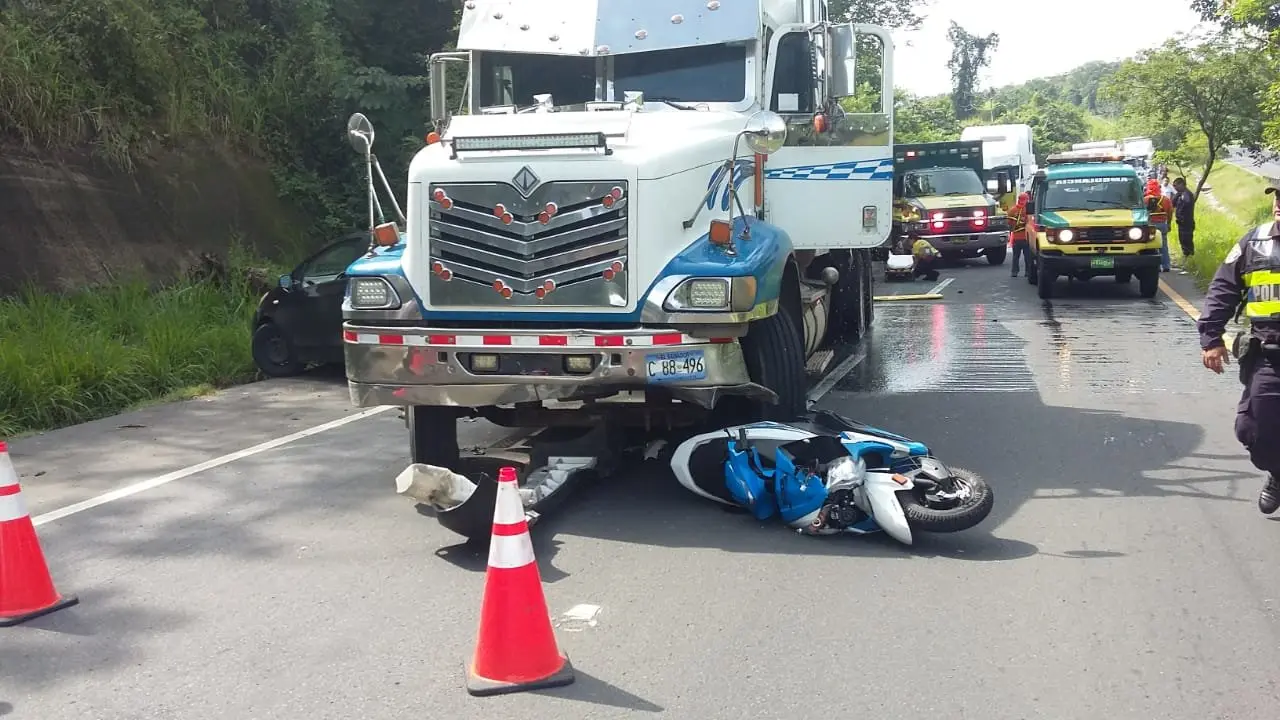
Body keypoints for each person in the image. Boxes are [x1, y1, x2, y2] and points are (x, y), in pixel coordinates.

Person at [1197, 180, 1280, 514]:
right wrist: (1212, 338)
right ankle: (1276, 471)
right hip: (1270, 358)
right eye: (1278, 196)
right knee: (1252, 430)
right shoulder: (1255, 242)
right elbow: (1223, 289)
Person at [1144, 179, 1174, 272]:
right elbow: (1170, 212)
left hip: (1150, 225)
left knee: (1151, 246)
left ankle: (1155, 266)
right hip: (1162, 225)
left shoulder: (1145, 199)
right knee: (1164, 246)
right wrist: (1168, 223)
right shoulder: (1165, 199)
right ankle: (1166, 266)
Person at [1172, 177, 1196, 260]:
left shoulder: (1187, 195)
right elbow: (1172, 203)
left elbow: (1186, 204)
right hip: (1181, 223)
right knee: (1182, 241)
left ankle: (1190, 259)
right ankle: (1186, 258)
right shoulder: (1180, 194)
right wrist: (1178, 195)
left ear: (1181, 184)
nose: (1174, 187)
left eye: (1175, 185)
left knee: (1187, 242)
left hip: (1186, 222)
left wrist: (1180, 196)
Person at [1008, 191, 1032, 278]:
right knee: (1028, 257)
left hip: (1016, 237)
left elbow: (1010, 224)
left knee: (1015, 257)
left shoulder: (1012, 210)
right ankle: (1028, 272)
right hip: (1026, 238)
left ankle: (1014, 272)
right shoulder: (1029, 211)